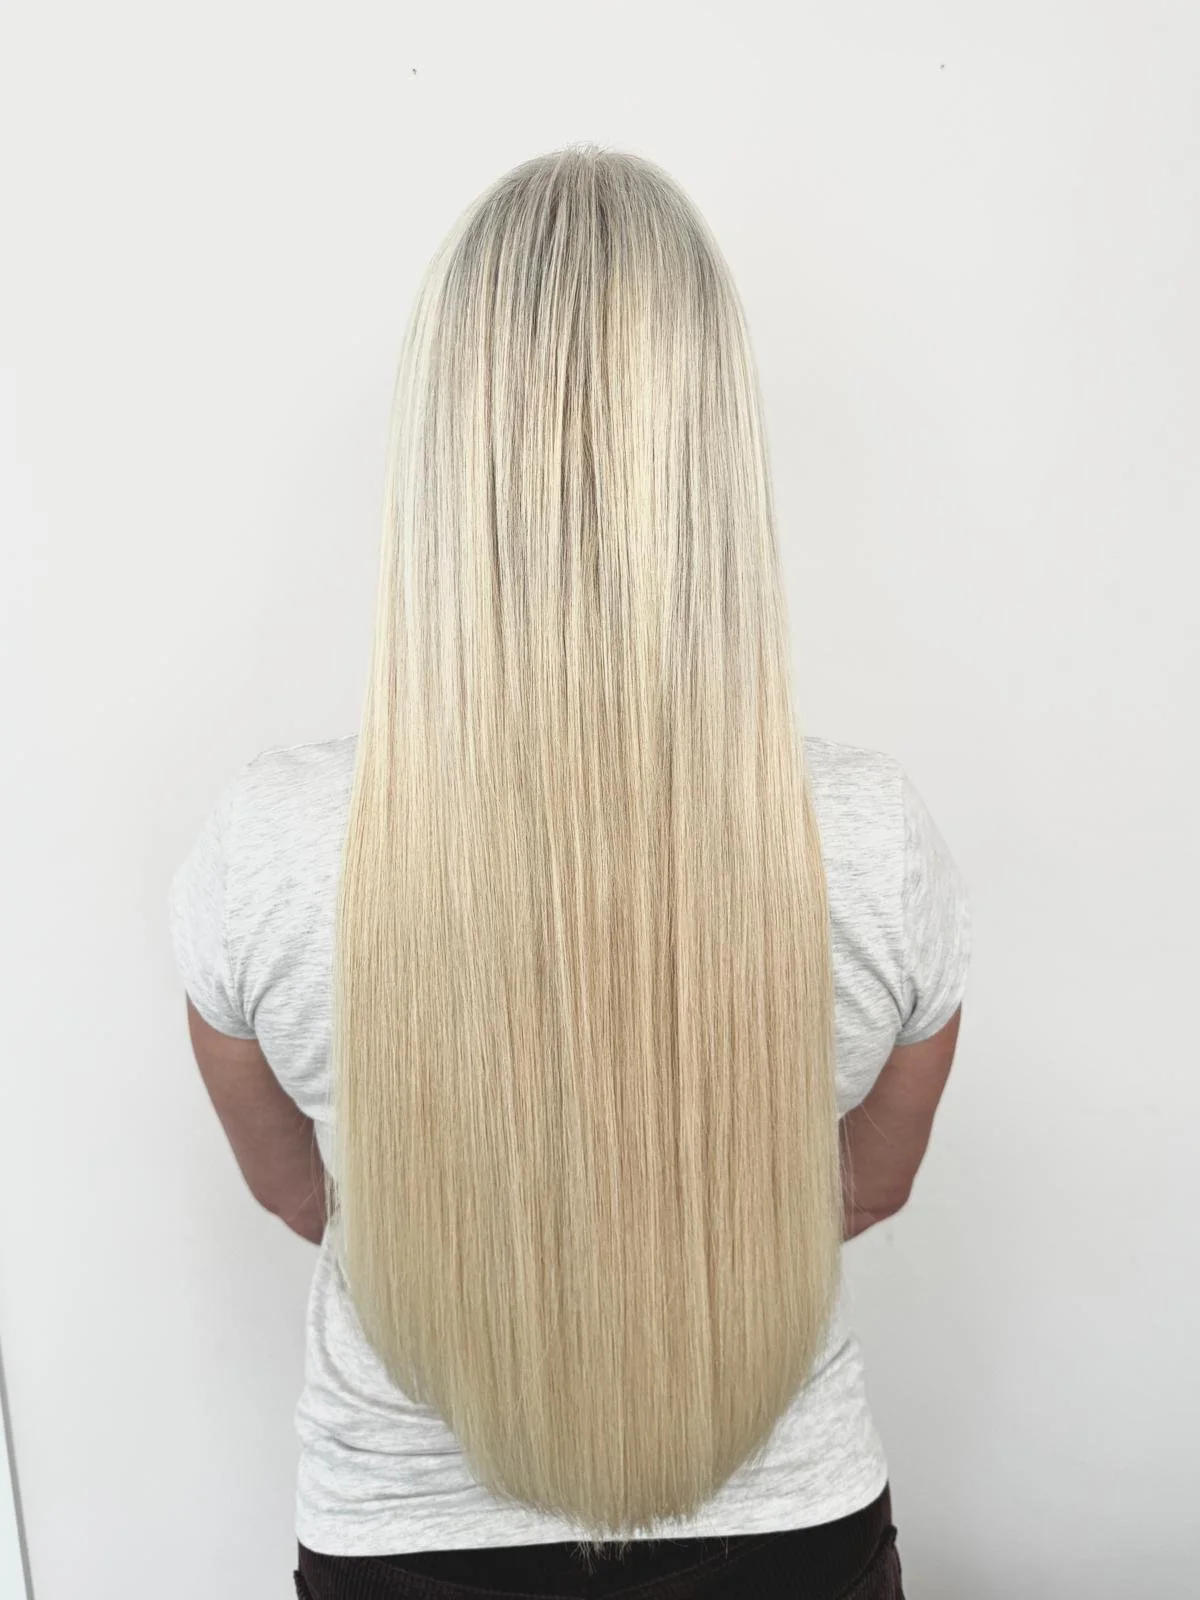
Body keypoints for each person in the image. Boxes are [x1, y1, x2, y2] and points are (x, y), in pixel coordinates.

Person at [169, 143, 971, 1600]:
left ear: (441, 449)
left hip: (403, 1550)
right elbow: (865, 1186)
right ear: (718, 452)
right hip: (782, 1540)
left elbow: (302, 1192)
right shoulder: (866, 834)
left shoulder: (272, 842)